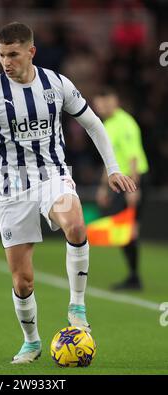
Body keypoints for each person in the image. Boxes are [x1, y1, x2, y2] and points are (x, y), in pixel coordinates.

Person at [0, 22, 136, 364]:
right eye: (1, 54)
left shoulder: (57, 84)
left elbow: (93, 123)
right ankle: (31, 342)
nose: (6, 61)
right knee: (23, 281)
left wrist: (114, 168)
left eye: (13, 54)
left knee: (76, 225)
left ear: (30, 51)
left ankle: (77, 306)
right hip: (11, 189)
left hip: (53, 177)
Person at [93, 87, 149, 291]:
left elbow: (133, 156)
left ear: (115, 101)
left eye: (106, 102)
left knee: (128, 231)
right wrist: (103, 188)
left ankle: (135, 278)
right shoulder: (108, 124)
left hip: (133, 180)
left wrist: (134, 187)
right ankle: (133, 276)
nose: (102, 106)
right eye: (99, 103)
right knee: (124, 230)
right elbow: (110, 160)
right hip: (121, 181)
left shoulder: (125, 123)